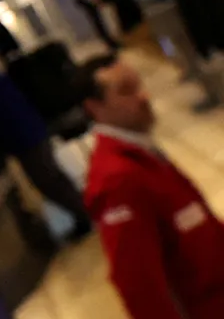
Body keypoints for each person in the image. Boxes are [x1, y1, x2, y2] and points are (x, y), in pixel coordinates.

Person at [78, 55, 224, 319]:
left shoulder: (140, 150)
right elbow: (139, 288)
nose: (143, 96)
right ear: (94, 108)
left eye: (138, 85)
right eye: (126, 91)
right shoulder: (117, 181)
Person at [0, 50, 92, 241]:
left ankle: (84, 215)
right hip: (27, 134)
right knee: (52, 178)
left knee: (48, 180)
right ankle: (85, 213)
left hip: (25, 136)